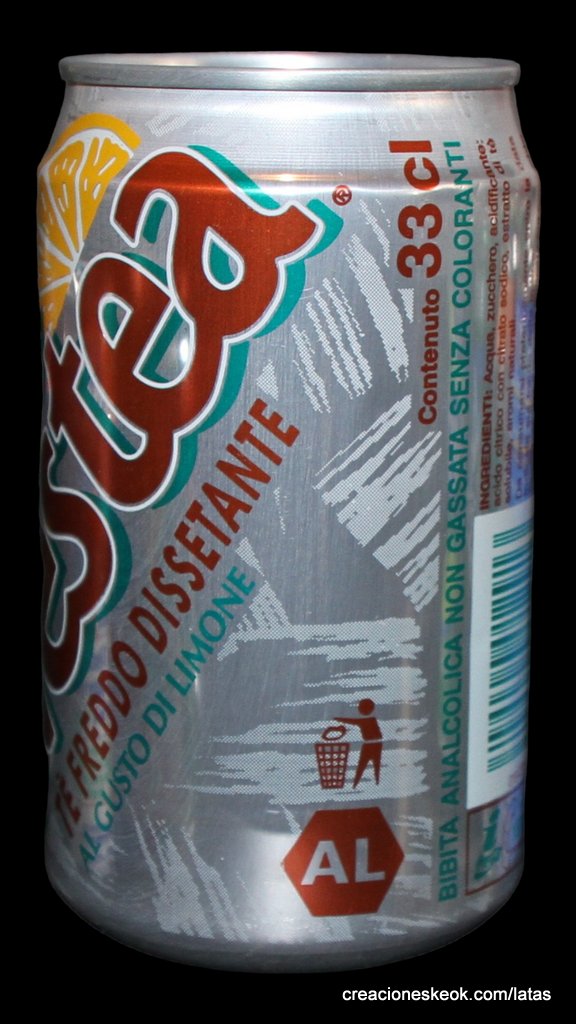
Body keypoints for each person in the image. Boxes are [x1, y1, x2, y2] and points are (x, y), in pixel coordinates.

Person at [335, 698, 382, 787]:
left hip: (371, 745)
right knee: (371, 766)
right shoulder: (371, 720)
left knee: (364, 765)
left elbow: (353, 721)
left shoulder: (368, 720)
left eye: (360, 707)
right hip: (375, 745)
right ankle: (369, 783)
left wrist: (338, 718)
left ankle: (360, 784)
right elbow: (354, 721)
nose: (359, 709)